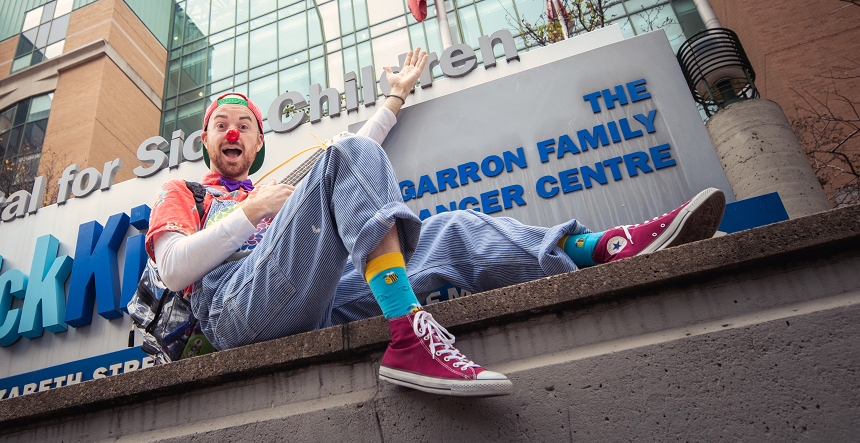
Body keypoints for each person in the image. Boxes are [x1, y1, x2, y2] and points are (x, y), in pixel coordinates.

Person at [144, 48, 725, 397]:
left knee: (451, 228)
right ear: (205, 138)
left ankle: (600, 248)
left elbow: (358, 154)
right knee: (342, 156)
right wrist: (249, 213)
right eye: (221, 123)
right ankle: (408, 336)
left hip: (311, 302)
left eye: (244, 124)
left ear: (259, 140)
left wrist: (394, 99)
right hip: (233, 312)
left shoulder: (274, 186)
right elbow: (172, 270)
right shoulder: (186, 191)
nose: (232, 132)